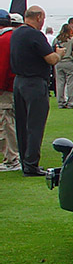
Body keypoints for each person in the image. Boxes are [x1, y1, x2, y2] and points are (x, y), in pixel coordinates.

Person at [10, 6, 61, 175]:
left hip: (19, 81)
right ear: (39, 17)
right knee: (35, 125)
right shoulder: (35, 35)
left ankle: (25, 162)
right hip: (34, 82)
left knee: (22, 124)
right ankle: (32, 164)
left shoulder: (16, 33)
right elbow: (51, 59)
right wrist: (59, 53)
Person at [0, 11, 20, 171]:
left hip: (6, 87)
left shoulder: (5, 40)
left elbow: (3, 66)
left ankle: (11, 159)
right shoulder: (15, 37)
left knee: (7, 123)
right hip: (16, 84)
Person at [53, 23, 73, 108]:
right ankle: (71, 102)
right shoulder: (72, 39)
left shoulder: (57, 39)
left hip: (59, 62)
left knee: (60, 83)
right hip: (69, 62)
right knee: (72, 83)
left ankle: (60, 102)